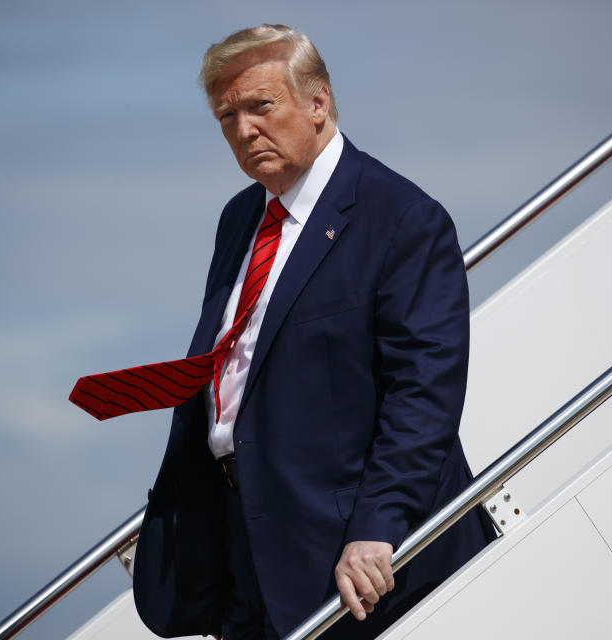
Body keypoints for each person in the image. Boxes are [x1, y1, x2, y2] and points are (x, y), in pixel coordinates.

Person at [71, 24, 495, 640]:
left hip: (347, 553)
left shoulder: (401, 218)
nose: (243, 130)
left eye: (260, 106)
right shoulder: (240, 216)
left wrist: (378, 526)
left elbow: (423, 394)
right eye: (227, 116)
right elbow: (235, 361)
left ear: (317, 102)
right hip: (240, 540)